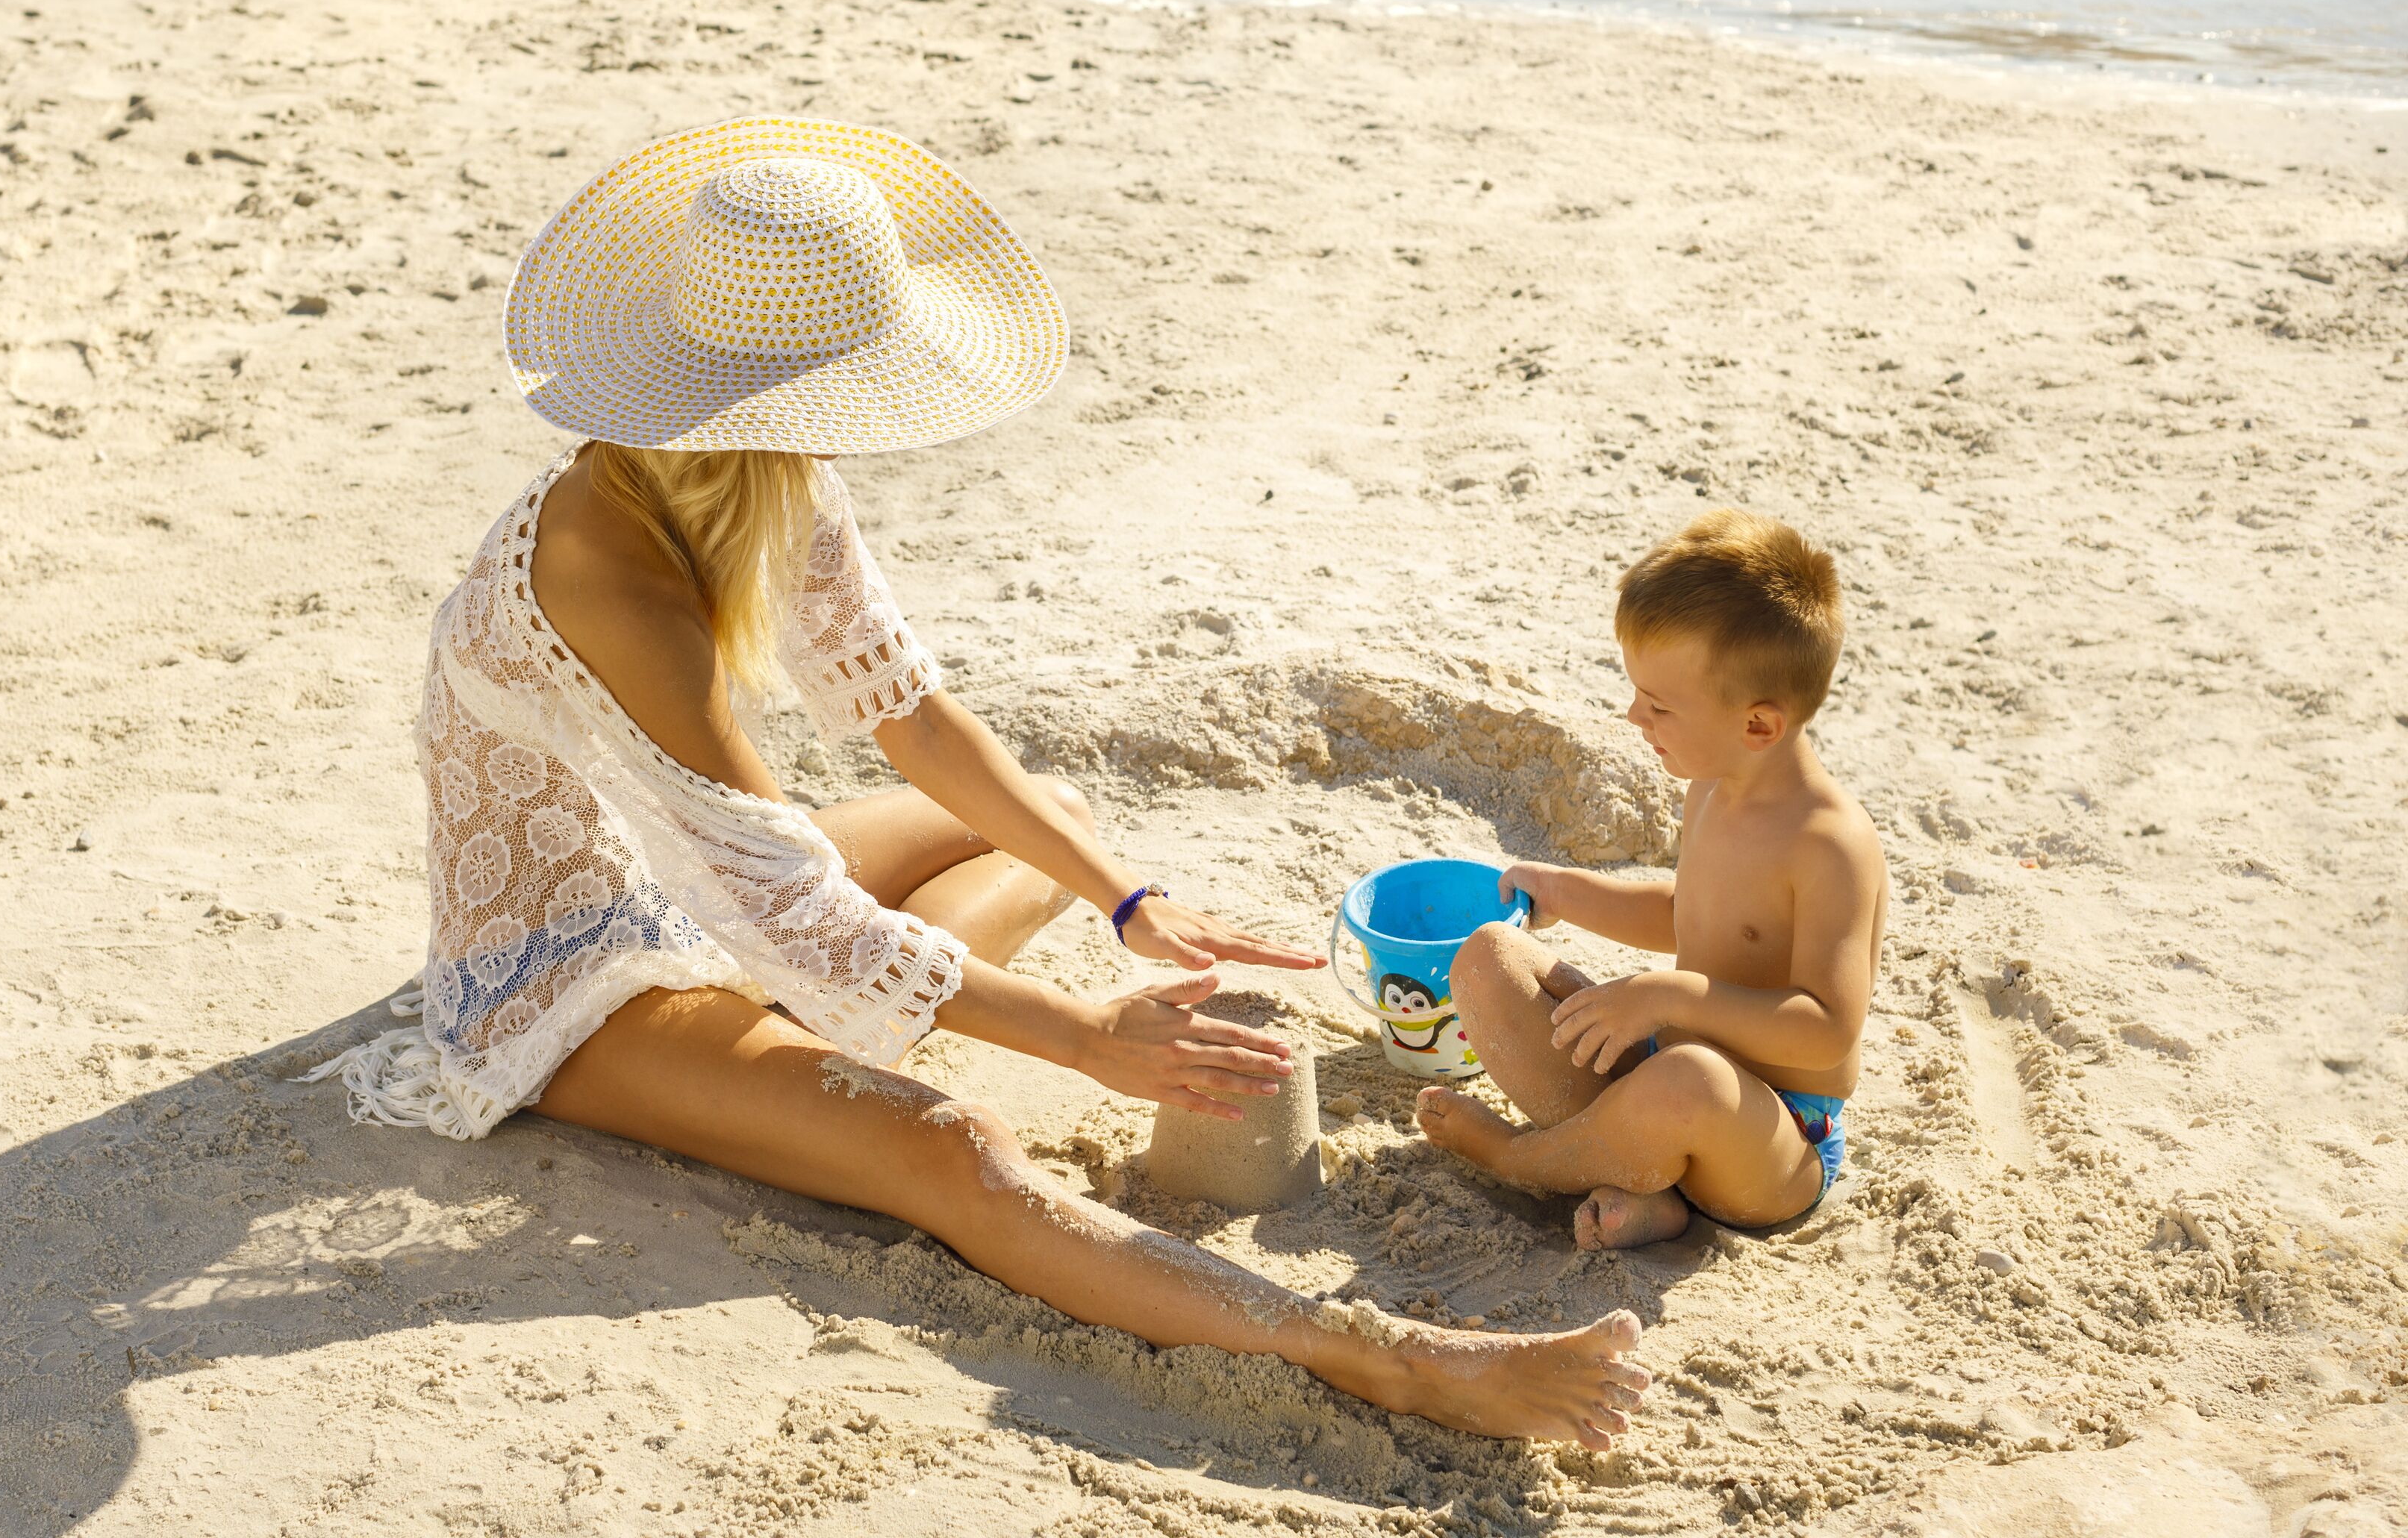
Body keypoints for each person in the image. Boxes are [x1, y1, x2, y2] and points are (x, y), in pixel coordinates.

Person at [315, 115, 1648, 1446]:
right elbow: (790, 910)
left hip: (688, 881)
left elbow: (917, 720)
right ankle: (1400, 1362)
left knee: (1048, 822)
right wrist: (1082, 1035)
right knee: (952, 1151)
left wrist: (1130, 902)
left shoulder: (752, 472)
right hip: (568, 975)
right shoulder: (613, 574)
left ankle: (804, 1045)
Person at [1414, 509, 1885, 1248]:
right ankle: (1649, 1189)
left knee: (1688, 1082)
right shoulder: (1711, 784)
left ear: (1759, 724)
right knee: (1487, 959)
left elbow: (1828, 1026)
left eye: (1659, 704)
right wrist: (1571, 894)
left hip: (1770, 1135)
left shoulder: (1830, 843)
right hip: (1669, 1073)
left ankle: (1520, 1158)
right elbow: (1690, 914)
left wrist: (1667, 993)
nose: (1635, 714)